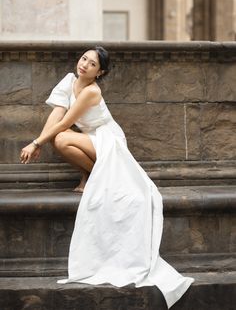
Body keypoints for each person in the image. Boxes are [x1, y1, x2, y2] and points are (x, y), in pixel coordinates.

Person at [20, 46, 194, 309]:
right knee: (60, 140)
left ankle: (91, 177)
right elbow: (55, 116)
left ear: (99, 72)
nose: (85, 65)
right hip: (90, 140)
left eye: (92, 64)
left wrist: (35, 142)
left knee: (62, 138)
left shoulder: (92, 91)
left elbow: (65, 123)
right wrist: (39, 142)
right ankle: (91, 177)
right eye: (84, 59)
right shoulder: (69, 81)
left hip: (108, 139)